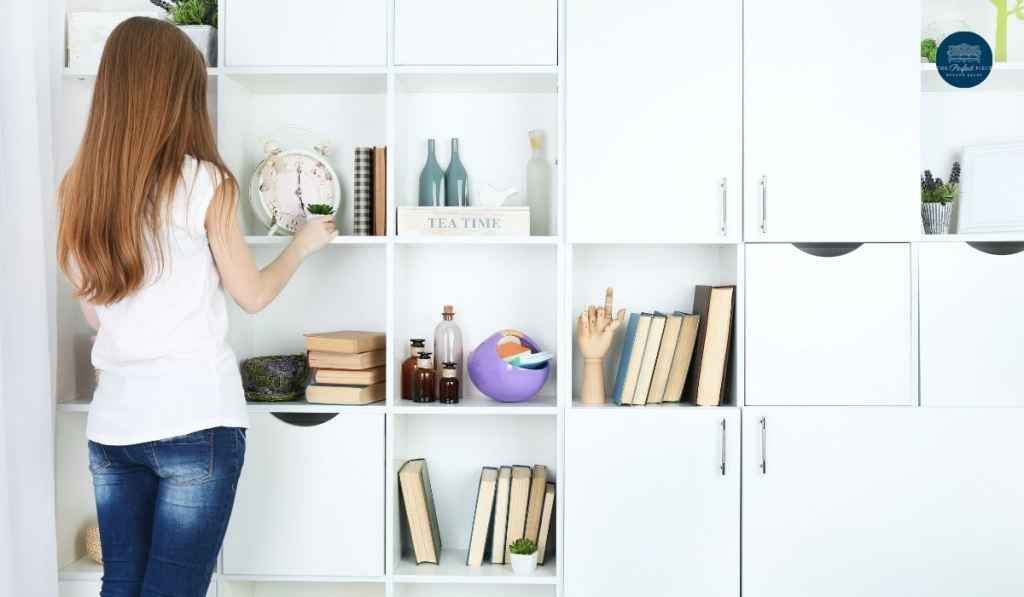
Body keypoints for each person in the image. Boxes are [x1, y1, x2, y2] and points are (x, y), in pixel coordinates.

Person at [56, 17, 336, 597]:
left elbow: (95, 315)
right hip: (197, 419)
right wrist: (303, 244)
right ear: (175, 95)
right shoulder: (206, 182)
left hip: (114, 426)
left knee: (123, 584)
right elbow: (253, 296)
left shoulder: (79, 188)